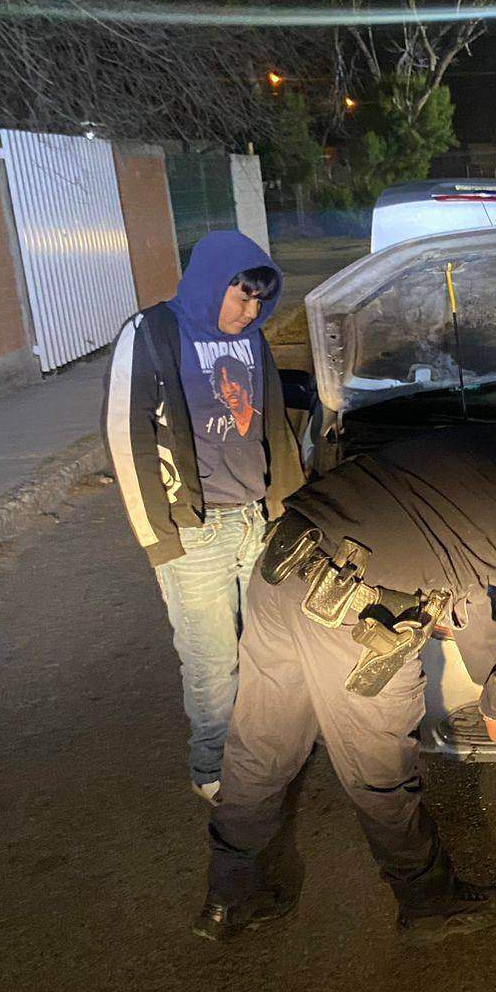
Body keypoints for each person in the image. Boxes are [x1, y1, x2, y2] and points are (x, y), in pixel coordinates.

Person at [193, 418, 496, 945]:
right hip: (353, 613)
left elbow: (467, 585)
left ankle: (230, 895)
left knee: (261, 746)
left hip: (284, 567)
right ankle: (427, 902)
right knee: (380, 772)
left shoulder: (494, 442)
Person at [102, 231, 305, 804]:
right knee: (212, 659)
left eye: (261, 301)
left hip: (254, 523)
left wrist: (286, 507)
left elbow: (274, 432)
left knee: (269, 647)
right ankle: (214, 769)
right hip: (194, 532)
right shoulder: (153, 333)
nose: (251, 310)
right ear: (211, 284)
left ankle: (266, 745)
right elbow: (126, 436)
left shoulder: (253, 341)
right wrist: (158, 538)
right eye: (241, 296)